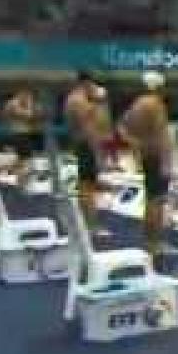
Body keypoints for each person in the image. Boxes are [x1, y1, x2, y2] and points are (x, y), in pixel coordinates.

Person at [118, 70, 176, 261]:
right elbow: (161, 136)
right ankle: (155, 243)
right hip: (156, 157)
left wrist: (137, 145)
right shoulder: (154, 104)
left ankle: (151, 241)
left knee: (153, 200)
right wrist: (165, 160)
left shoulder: (139, 104)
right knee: (157, 201)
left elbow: (122, 128)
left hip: (149, 155)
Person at [63, 69, 113, 238]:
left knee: (86, 187)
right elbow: (91, 129)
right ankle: (91, 226)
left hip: (81, 144)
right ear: (87, 83)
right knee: (87, 188)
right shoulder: (79, 102)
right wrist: (98, 154)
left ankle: (88, 224)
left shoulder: (74, 100)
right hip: (87, 146)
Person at [1, 87, 44, 185]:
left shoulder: (23, 103)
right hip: (19, 135)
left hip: (26, 135)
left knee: (23, 161)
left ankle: (11, 172)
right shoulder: (14, 104)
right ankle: (20, 181)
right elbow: (28, 115)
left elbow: (39, 114)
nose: (29, 97)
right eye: (27, 94)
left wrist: (34, 108)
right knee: (26, 161)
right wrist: (29, 105)